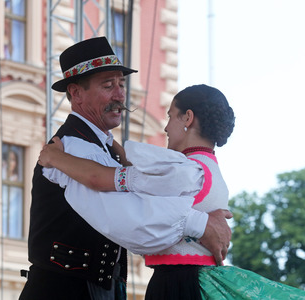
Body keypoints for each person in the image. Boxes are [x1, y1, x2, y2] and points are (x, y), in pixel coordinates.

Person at [38, 84, 305, 300]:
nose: (165, 127)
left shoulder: (185, 169)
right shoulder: (207, 167)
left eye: (170, 116)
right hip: (194, 278)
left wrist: (56, 159)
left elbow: (109, 184)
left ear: (187, 118)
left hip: (177, 284)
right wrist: (112, 145)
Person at [19, 37, 231, 300]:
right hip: (65, 290)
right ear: (76, 93)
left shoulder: (103, 147)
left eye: (121, 84)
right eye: (108, 85)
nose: (120, 95)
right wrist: (201, 223)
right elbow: (129, 211)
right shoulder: (72, 147)